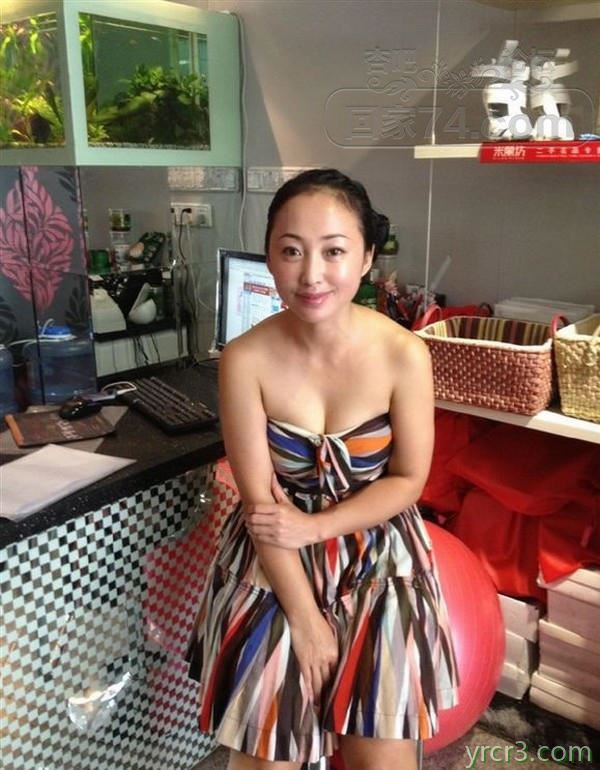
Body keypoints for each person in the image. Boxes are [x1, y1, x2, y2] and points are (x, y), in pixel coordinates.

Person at [187, 169, 459, 770]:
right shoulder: (244, 359)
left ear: (366, 258)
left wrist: (315, 526)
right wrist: (307, 622)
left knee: (379, 753)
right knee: (268, 752)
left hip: (379, 558)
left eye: (334, 251)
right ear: (269, 257)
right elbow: (261, 503)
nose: (311, 274)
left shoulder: (404, 354)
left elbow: (407, 480)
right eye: (291, 251)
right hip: (273, 561)